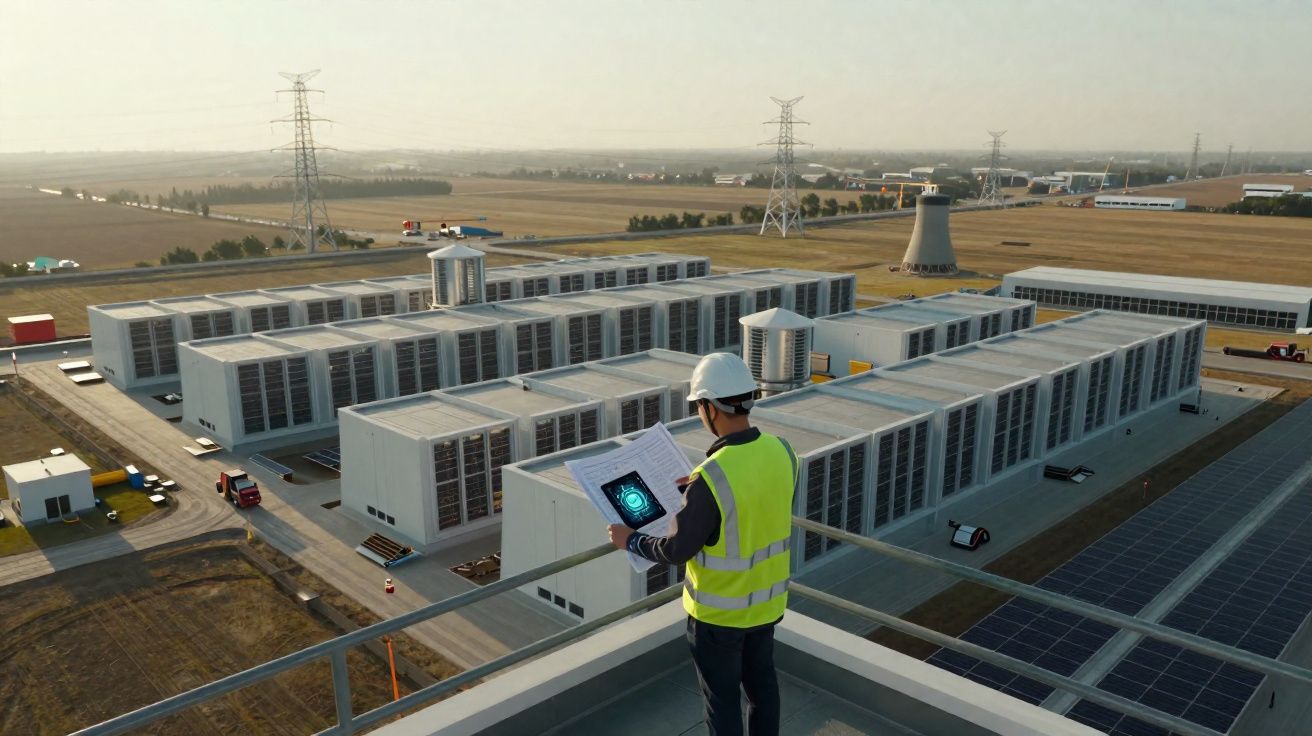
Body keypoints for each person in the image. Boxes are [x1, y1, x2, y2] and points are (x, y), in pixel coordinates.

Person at [607, 353, 798, 736]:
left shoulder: (711, 476)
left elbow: (676, 550)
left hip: (718, 620)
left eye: (698, 406)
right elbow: (755, 503)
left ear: (710, 407)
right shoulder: (783, 451)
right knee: (763, 691)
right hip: (766, 607)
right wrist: (697, 494)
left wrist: (631, 540)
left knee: (722, 703)